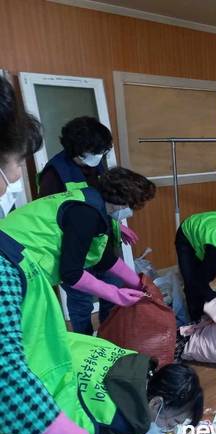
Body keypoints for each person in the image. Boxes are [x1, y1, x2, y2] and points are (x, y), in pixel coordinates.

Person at [0, 165, 155, 434]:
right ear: (123, 202)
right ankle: (41, 417)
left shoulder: (92, 202)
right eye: (134, 207)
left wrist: (138, 282)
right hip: (13, 266)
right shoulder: (86, 215)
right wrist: (116, 294)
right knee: (24, 352)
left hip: (17, 259)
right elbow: (71, 273)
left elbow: (103, 258)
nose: (131, 213)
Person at [38, 116, 138, 334]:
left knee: (112, 288)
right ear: (79, 150)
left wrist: (117, 226)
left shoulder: (96, 164)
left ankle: (108, 336)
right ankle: (85, 341)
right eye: (97, 151)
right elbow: (55, 217)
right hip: (72, 248)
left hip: (99, 242)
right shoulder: (55, 174)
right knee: (81, 301)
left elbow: (105, 203)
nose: (101, 155)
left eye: (104, 151)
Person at [67, 332, 203, 434]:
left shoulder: (131, 360)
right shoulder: (114, 428)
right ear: (156, 403)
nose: (170, 430)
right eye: (171, 423)